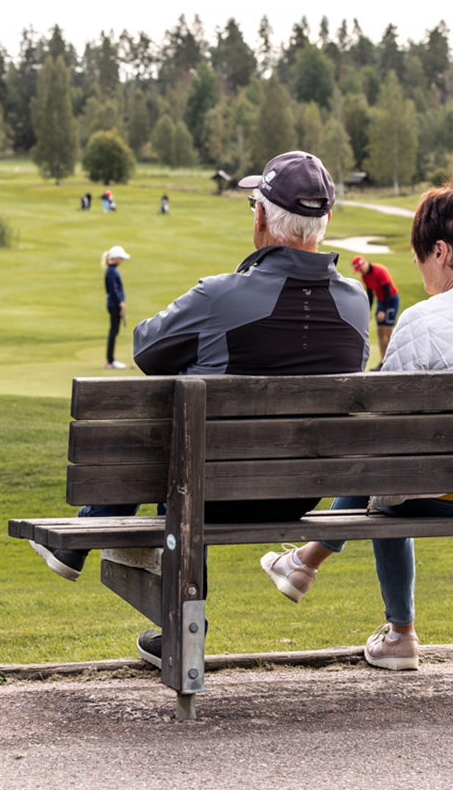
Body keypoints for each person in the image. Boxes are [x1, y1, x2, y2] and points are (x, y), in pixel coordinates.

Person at [28, 152, 370, 667]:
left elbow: (145, 348)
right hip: (298, 495)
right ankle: (102, 551)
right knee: (194, 428)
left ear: (259, 218)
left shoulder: (220, 296)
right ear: (324, 225)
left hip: (207, 494)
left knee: (182, 420)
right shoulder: (356, 304)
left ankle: (104, 546)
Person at [260, 171, 453, 670]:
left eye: (422, 256)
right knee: (388, 474)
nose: (420, 267)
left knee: (385, 485)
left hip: (444, 497)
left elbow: (382, 428)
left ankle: (396, 630)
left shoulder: (422, 320)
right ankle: (304, 564)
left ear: (442, 252)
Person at [351, 255, 399, 362]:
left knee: (388, 331)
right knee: (380, 331)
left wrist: (383, 310)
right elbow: (370, 294)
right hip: (381, 301)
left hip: (391, 300)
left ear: (364, 263)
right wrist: (367, 310)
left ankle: (392, 360)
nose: (360, 272)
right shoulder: (364, 276)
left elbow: (387, 292)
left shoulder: (380, 270)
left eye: (360, 269)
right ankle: (383, 362)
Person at [103, 246, 130, 369]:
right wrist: (121, 303)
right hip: (115, 304)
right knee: (113, 332)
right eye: (122, 258)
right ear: (117, 258)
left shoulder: (111, 270)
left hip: (114, 304)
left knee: (114, 331)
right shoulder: (111, 271)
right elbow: (114, 289)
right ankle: (110, 361)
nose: (122, 260)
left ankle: (110, 360)